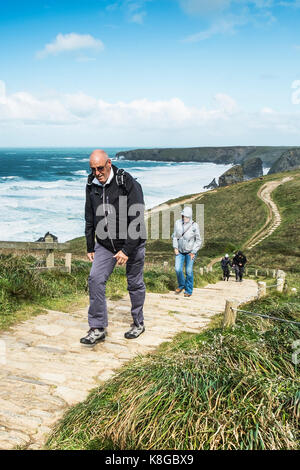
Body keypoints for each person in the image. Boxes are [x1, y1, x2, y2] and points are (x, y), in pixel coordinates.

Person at [80, 149, 147, 345]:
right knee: (95, 279)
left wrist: (126, 249)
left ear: (109, 163)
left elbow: (137, 218)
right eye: (93, 169)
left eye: (100, 168)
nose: (97, 173)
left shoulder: (126, 181)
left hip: (132, 242)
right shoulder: (91, 184)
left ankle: (138, 323)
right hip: (105, 244)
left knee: (134, 283)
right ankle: (98, 327)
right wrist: (89, 245)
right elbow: (89, 216)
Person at [172, 206, 202, 297]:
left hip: (190, 252)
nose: (185, 218)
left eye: (187, 216)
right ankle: (182, 284)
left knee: (188, 271)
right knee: (177, 269)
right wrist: (175, 248)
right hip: (180, 251)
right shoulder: (177, 223)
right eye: (183, 216)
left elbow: (198, 240)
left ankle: (188, 290)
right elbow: (174, 236)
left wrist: (194, 251)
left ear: (190, 216)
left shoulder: (194, 225)